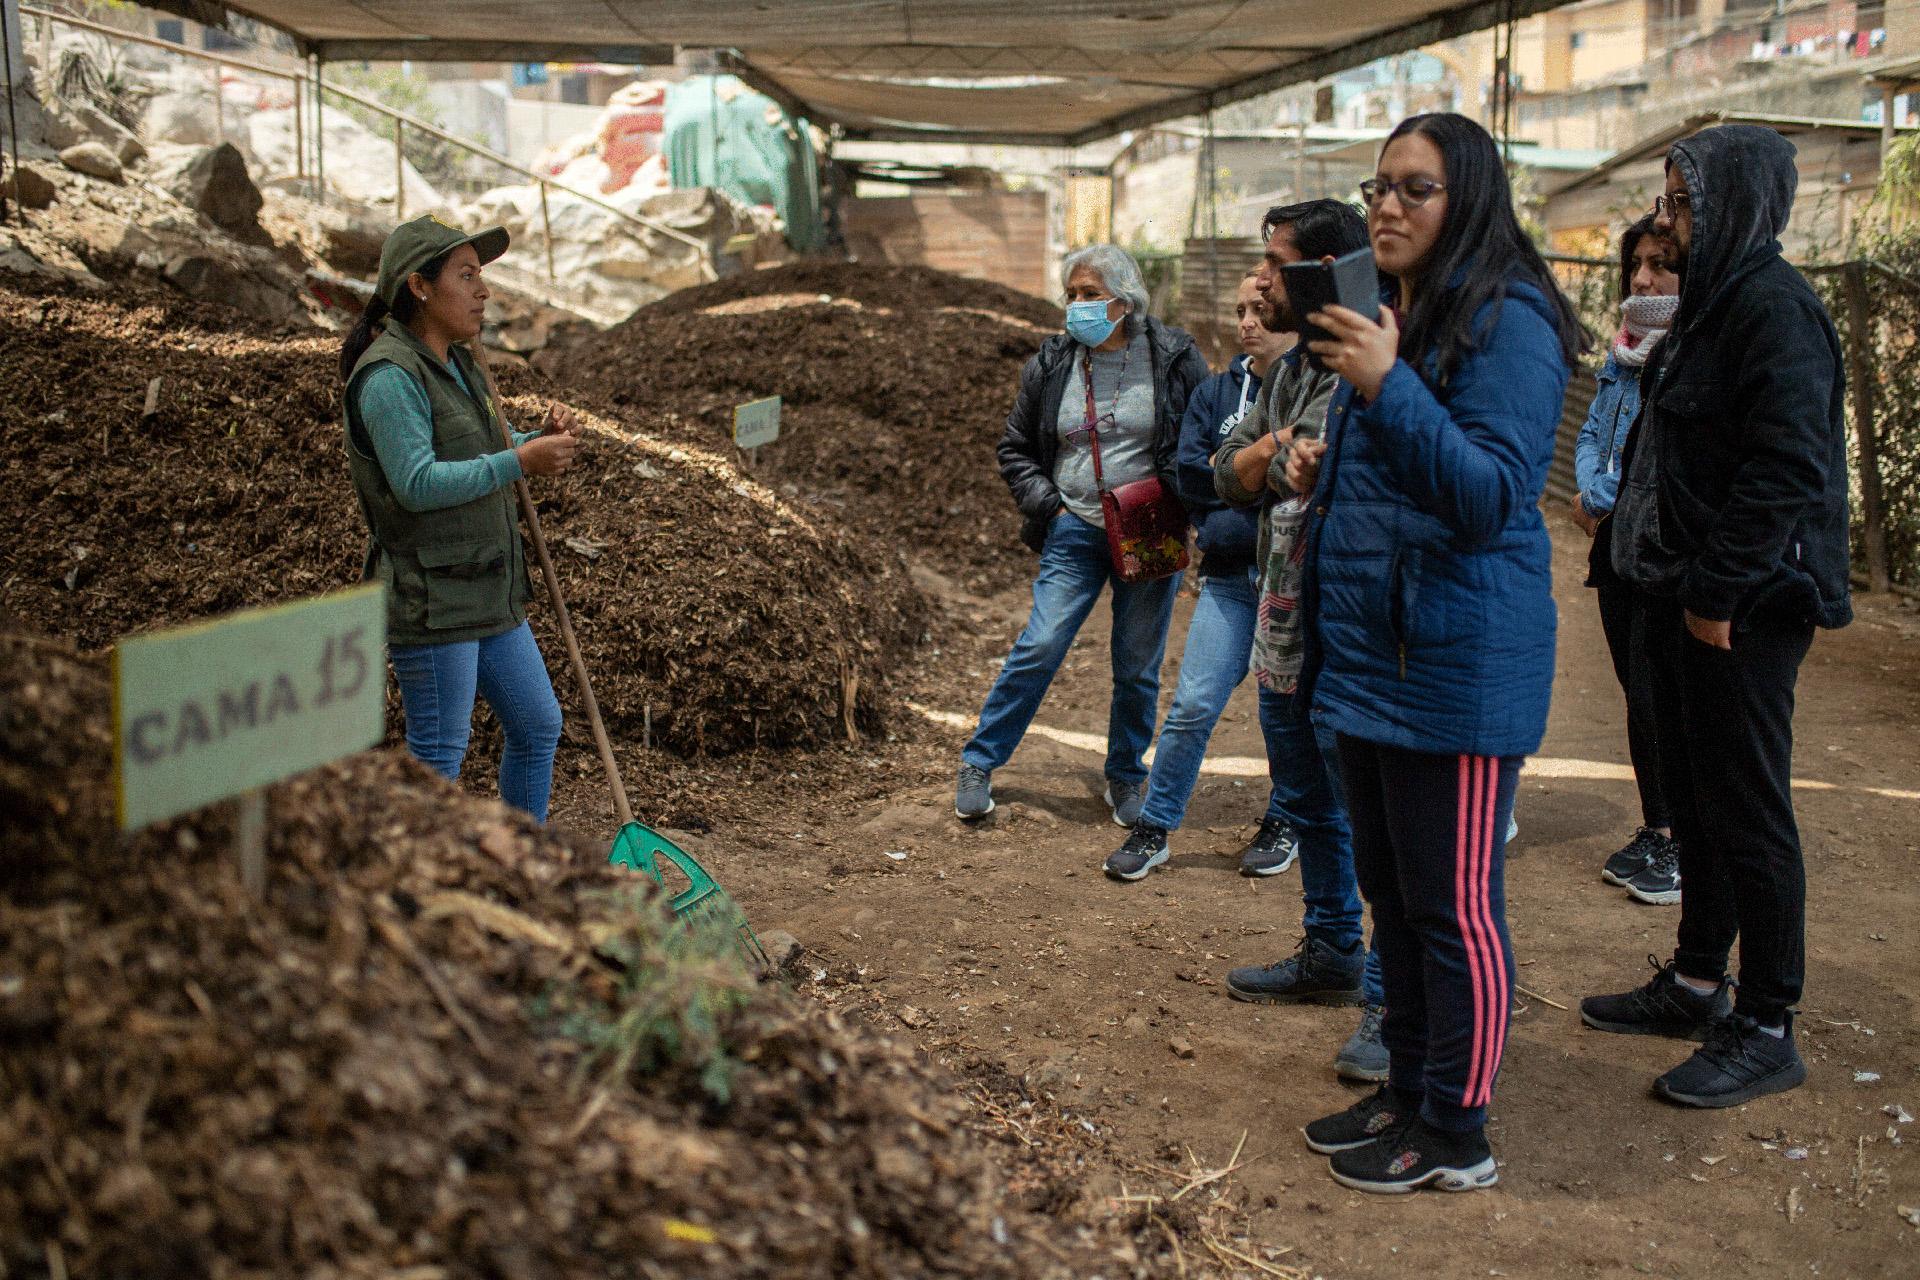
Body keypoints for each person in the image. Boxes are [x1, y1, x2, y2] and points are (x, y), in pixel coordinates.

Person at [1287, 114, 1582, 1193]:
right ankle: (1408, 1089)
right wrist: (1327, 461)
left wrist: (1385, 383)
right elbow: (1401, 478)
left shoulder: (1512, 320)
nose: (1387, 206)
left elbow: (1490, 493)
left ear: (1471, 200)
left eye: (1417, 188)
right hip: (1376, 659)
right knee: (1397, 900)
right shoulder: (1402, 313)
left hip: (1455, 664)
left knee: (1455, 910)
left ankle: (1458, 1128)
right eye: (1380, 186)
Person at [1581, 125, 1851, 1109]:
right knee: (1696, 801)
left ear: (1735, 204)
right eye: (1668, 201)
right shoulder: (1712, 302)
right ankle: (1699, 981)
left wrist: (1718, 593)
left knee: (1747, 809)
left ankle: (1768, 1023)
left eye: (1684, 203)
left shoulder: (1774, 311)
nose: (1669, 220)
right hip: (1684, 591)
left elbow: (1787, 470)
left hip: (1745, 608)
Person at [1211, 199, 1389, 1085]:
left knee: (1376, 821)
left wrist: (1276, 460)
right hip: (1283, 623)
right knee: (1307, 796)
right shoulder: (1291, 371)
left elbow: (1320, 471)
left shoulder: (1371, 362)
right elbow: (1228, 474)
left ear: (1322, 272)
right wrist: (1275, 454)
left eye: (1276, 264)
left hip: (1346, 622)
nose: (1262, 279)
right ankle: (1331, 950)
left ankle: (1392, 1000)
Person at [341, 214, 583, 822]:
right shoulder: (389, 377)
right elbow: (417, 483)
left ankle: (520, 858)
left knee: (538, 725)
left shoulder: (460, 363)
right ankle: (420, 875)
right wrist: (519, 461)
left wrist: (534, 441)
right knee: (439, 757)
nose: (484, 291)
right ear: (420, 286)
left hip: (487, 585)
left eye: (481, 276)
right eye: (467, 275)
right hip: (432, 596)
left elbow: (483, 447)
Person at [956, 245, 1210, 823]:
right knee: (1041, 645)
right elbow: (1015, 448)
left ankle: (1126, 775)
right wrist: (1052, 509)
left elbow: (1201, 437)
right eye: (1071, 295)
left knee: (1137, 664)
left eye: (1091, 294)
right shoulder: (1052, 363)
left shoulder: (1173, 356)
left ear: (1125, 300)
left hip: (1148, 529)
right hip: (1074, 527)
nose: (1077, 306)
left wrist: (1183, 503)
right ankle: (979, 760)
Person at [1101, 271, 1298, 881]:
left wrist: (1236, 473)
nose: (1247, 323)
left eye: (1260, 310)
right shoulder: (1215, 394)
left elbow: (1303, 477)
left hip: (1292, 579)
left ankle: (1285, 820)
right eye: (1239, 312)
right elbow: (1193, 474)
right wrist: (1253, 476)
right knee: (1192, 703)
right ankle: (1155, 826)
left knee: (1283, 711)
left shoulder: (1317, 390)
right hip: (1230, 577)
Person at [1572, 216, 1682, 903]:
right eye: (1636, 265)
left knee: (1661, 694)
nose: (1642, 281)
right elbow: (1593, 431)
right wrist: (1594, 494)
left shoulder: (1693, 354)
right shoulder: (1623, 352)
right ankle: (1658, 828)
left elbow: (1661, 457)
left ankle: (1681, 843)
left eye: (1661, 266)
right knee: (1637, 694)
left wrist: (1605, 499)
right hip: (1613, 546)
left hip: (1659, 549)